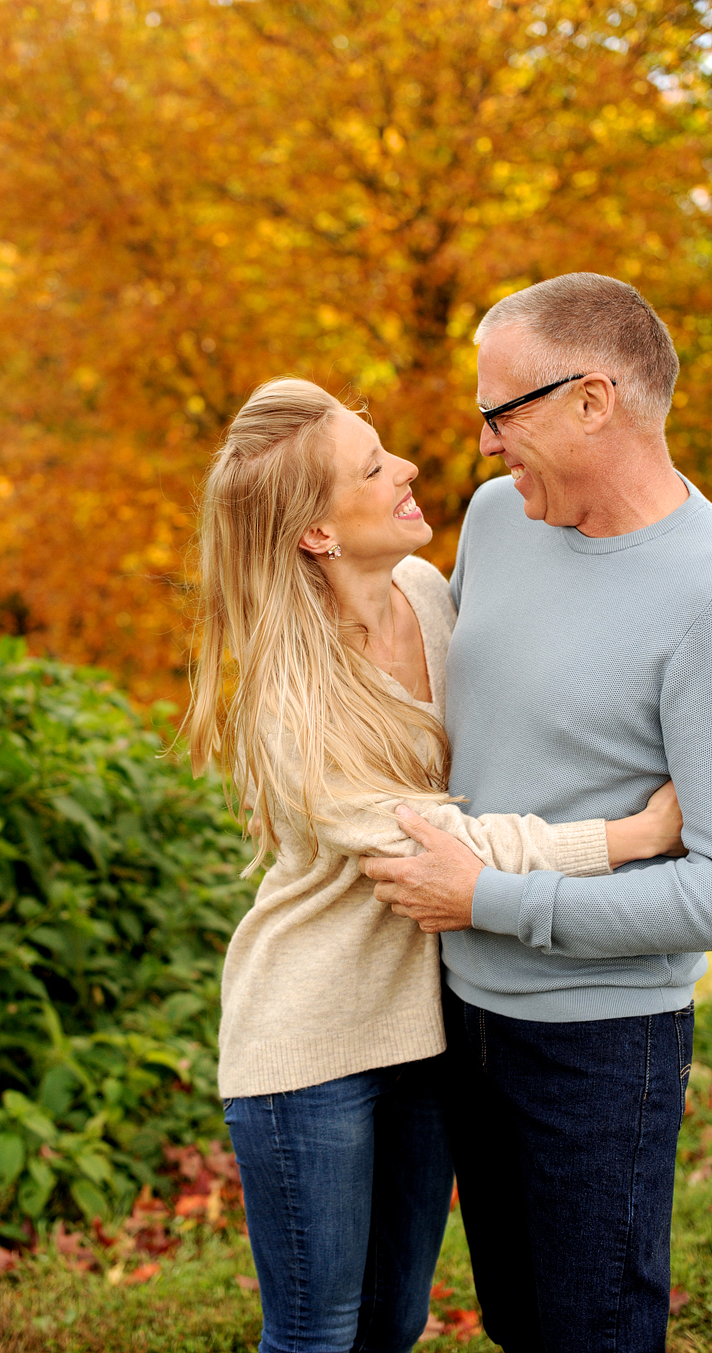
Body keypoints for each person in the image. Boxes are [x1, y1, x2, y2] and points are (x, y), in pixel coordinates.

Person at [186, 375, 684, 1353]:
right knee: (318, 1332)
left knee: (393, 1321)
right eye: (372, 467)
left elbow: (504, 744)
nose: (409, 465)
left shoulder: (425, 591)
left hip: (428, 1027)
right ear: (317, 534)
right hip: (312, 1036)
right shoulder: (293, 694)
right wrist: (625, 839)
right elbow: (441, 847)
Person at [361, 272, 712, 1353]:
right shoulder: (500, 519)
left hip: (600, 1047)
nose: (483, 445)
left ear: (593, 400)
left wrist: (492, 898)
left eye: (501, 413)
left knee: (589, 1331)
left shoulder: (703, 593)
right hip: (456, 1015)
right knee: (520, 1320)